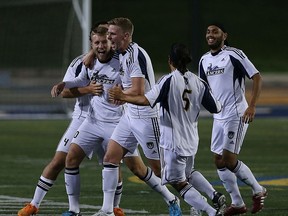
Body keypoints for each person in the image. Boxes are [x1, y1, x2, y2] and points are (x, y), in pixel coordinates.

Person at [109, 42, 225, 216]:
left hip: (173, 142)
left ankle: (210, 211)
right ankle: (214, 195)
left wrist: (122, 96)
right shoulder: (199, 82)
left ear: (170, 60)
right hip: (192, 140)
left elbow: (146, 100)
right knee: (187, 173)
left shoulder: (168, 81)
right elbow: (216, 108)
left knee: (178, 182)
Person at [93, 17, 181, 216]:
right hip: (129, 116)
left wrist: (121, 95)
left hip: (146, 117)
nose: (108, 38)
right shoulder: (122, 53)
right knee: (111, 157)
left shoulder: (135, 55)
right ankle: (107, 210)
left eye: (112, 34)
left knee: (161, 171)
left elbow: (139, 90)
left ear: (126, 36)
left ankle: (200, 199)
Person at [51, 26, 125, 216]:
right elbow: (78, 81)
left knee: (137, 168)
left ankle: (168, 197)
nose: (100, 46)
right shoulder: (88, 63)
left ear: (111, 41)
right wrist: (62, 84)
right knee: (71, 158)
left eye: (104, 42)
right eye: (96, 43)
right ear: (92, 45)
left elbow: (135, 83)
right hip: (92, 121)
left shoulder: (123, 60)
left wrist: (124, 94)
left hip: (117, 122)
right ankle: (74, 210)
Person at [198, 23, 266, 216]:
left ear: (224, 36)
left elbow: (257, 77)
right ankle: (237, 203)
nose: (210, 35)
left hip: (236, 114)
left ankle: (258, 189)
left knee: (228, 159)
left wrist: (252, 106)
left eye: (215, 32)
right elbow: (204, 89)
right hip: (218, 116)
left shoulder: (234, 54)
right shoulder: (203, 60)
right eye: (208, 32)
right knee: (219, 161)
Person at [17, 53, 93, 216]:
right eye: (96, 41)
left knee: (116, 163)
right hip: (81, 117)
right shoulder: (78, 63)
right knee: (60, 160)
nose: (101, 44)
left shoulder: (118, 60)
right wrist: (88, 89)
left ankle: (114, 207)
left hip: (110, 119)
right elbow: (65, 91)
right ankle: (34, 205)